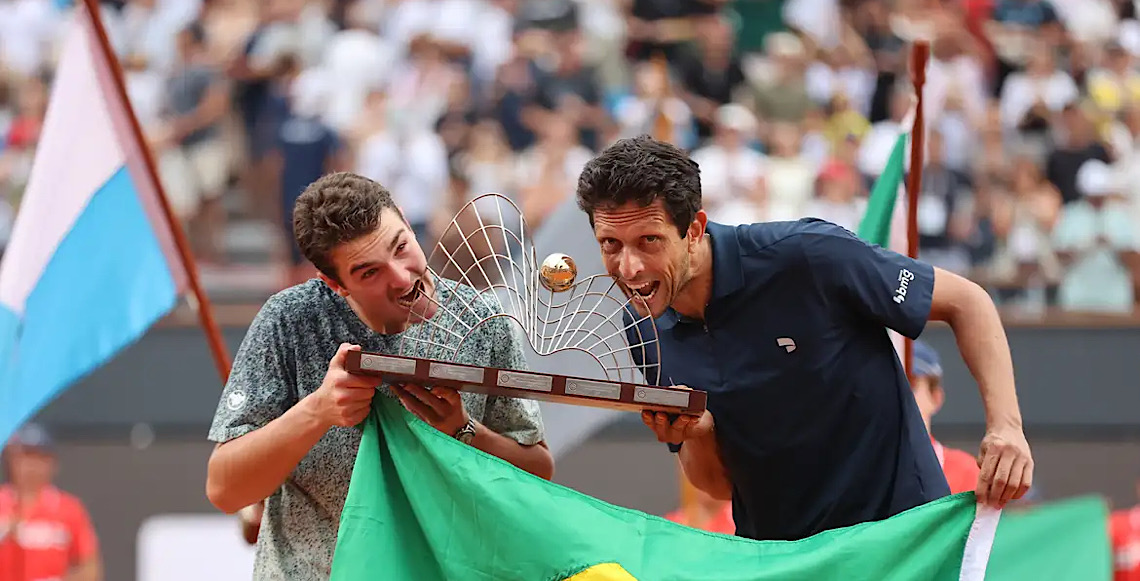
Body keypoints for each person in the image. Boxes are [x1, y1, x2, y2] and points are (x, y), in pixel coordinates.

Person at [574, 135, 1034, 542]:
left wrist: (1007, 427)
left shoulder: (806, 255)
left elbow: (968, 302)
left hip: (899, 537)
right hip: (781, 558)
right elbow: (717, 486)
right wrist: (698, 433)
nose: (628, 268)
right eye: (610, 244)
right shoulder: (641, 327)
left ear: (692, 230)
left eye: (649, 241)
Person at [205, 172, 554, 580]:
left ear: (406, 220)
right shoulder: (288, 320)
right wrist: (317, 412)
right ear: (335, 284)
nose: (402, 278)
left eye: (400, 247)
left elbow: (538, 471)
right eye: (369, 272)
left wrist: (464, 431)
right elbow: (225, 489)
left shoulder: (484, 320)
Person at [0, 423, 102, 581]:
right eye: (26, 456)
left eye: (40, 458)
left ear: (52, 463)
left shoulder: (69, 509)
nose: (32, 466)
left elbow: (90, 568)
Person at [909, 340, 982, 494]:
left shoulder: (966, 472)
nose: (898, 396)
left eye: (910, 385)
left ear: (935, 398)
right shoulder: (859, 469)